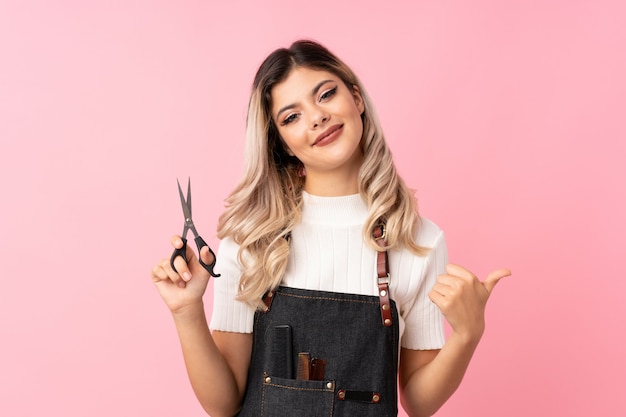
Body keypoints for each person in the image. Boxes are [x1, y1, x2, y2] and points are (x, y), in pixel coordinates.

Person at [151, 39, 510, 417]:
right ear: (283, 144)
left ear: (356, 98)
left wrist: (468, 335)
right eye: (291, 117)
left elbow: (419, 403)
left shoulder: (419, 240)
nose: (316, 117)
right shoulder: (250, 240)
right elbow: (223, 404)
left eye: (325, 95)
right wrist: (186, 311)